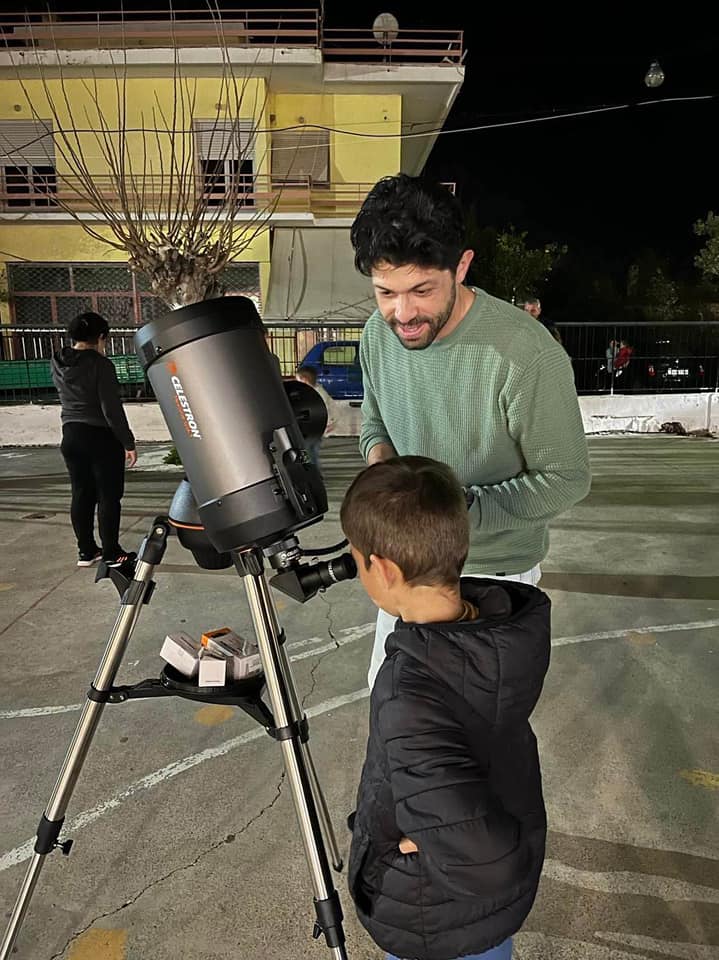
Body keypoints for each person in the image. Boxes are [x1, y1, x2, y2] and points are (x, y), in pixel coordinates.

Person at [350, 175, 590, 687]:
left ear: (461, 267)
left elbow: (566, 479)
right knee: (388, 702)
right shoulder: (377, 335)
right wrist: (382, 472)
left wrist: (452, 514)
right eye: (385, 292)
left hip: (494, 574)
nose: (403, 314)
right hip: (406, 565)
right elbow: (374, 422)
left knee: (465, 726)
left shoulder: (527, 355)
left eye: (421, 290)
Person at [340, 456, 550, 960]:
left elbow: (486, 861)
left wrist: (420, 852)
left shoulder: (409, 690)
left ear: (384, 569)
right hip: (486, 917)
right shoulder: (496, 633)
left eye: (358, 559)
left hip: (433, 916)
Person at [51, 312, 137, 567]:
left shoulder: (57, 360)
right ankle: (112, 552)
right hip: (100, 436)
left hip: (71, 434)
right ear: (101, 337)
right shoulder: (101, 365)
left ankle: (86, 551)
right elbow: (111, 409)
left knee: (81, 493)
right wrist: (128, 442)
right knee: (108, 495)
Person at [295, 364, 337, 467]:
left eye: (298, 380)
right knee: (312, 451)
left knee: (308, 452)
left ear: (304, 380)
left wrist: (329, 423)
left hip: (313, 429)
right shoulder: (318, 391)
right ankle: (313, 470)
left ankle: (311, 471)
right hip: (316, 429)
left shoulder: (314, 394)